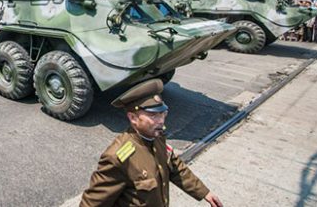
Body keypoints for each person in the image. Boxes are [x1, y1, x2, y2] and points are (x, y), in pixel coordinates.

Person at [80, 79, 222, 207]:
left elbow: (174, 166)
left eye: (162, 113)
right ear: (133, 118)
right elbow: (92, 203)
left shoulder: (157, 136)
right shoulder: (118, 157)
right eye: (153, 115)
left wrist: (204, 192)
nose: (161, 120)